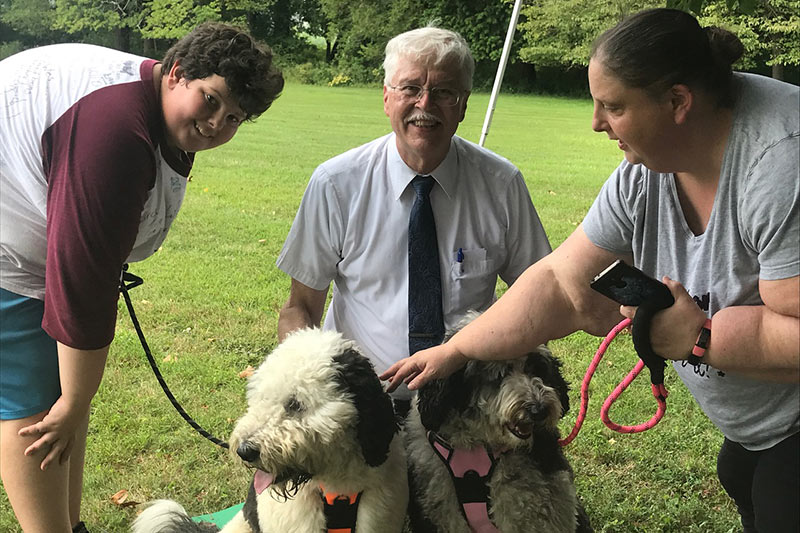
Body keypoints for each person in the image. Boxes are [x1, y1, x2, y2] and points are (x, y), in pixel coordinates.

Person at [383, 8, 799, 533]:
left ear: (677, 101)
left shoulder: (783, 162)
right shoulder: (644, 172)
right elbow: (560, 280)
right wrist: (458, 351)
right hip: (759, 433)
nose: (597, 123)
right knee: (749, 475)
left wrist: (701, 337)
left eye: (613, 106)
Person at [0, 23, 283, 532]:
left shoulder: (156, 107)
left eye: (235, 117)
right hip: (7, 241)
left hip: (31, 220)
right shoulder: (114, 133)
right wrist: (75, 399)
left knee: (65, 399)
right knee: (35, 403)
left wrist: (75, 399)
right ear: (177, 73)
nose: (218, 124)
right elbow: (82, 280)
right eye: (211, 99)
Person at [275, 26, 551, 409]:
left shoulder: (501, 184)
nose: (425, 104)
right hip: (359, 403)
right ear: (386, 98)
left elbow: (537, 294)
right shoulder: (336, 184)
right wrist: (306, 388)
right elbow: (299, 308)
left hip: (467, 406)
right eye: (410, 89)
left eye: (444, 92)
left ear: (464, 104)